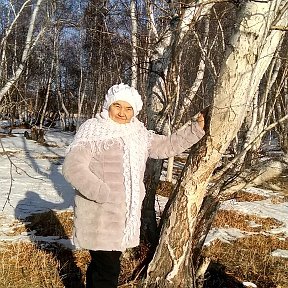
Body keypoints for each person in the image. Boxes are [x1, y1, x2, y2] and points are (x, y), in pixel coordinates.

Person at [62, 83, 205, 288]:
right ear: (108, 106)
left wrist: (195, 128)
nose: (122, 112)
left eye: (128, 108)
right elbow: (73, 167)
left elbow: (167, 146)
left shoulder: (139, 133)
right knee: (107, 270)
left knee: (103, 267)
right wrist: (102, 193)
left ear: (135, 111)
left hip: (124, 217)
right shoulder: (92, 130)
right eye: (117, 106)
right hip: (100, 216)